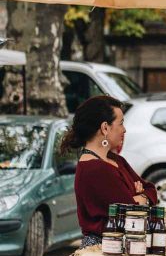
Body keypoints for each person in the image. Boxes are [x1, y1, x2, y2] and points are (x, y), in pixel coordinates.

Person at [61, 94, 157, 247]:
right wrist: (139, 198)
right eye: (121, 123)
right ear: (105, 127)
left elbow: (151, 189)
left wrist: (140, 197)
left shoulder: (116, 160)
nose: (124, 130)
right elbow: (130, 214)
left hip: (119, 246)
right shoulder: (95, 169)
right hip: (103, 251)